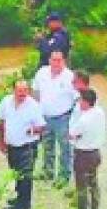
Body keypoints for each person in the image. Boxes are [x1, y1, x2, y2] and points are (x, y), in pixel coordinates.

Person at [0, 80, 45, 209]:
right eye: (19, 90)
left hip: (27, 147)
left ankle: (21, 208)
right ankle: (20, 199)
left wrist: (32, 131)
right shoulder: (6, 102)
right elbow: (1, 121)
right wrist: (1, 141)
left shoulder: (34, 106)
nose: (22, 93)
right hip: (12, 146)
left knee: (25, 177)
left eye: (25, 90)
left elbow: (42, 127)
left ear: (28, 91)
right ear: (14, 90)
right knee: (16, 174)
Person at [33, 50, 77, 187]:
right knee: (47, 146)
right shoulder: (42, 73)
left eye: (59, 60)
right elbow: (35, 91)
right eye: (54, 60)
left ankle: (64, 175)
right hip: (44, 116)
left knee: (65, 148)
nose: (56, 63)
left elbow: (77, 98)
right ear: (49, 60)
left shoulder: (70, 77)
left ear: (64, 61)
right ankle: (48, 171)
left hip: (63, 118)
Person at [68, 89, 106, 209]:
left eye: (81, 100)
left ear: (85, 102)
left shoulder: (83, 120)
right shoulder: (100, 112)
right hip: (95, 153)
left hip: (83, 155)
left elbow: (72, 134)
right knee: (93, 183)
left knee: (82, 186)